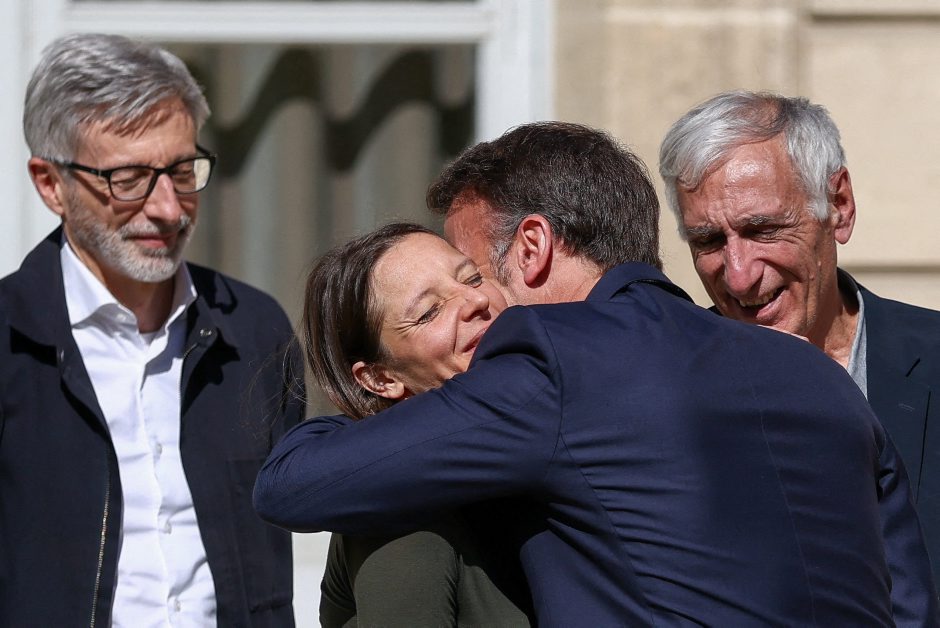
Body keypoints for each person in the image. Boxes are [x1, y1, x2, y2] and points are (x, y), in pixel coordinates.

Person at [256, 121, 927, 625]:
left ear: (533, 248)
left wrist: (370, 421)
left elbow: (289, 486)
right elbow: (910, 606)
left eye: (474, 273)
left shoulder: (550, 364)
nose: (479, 305)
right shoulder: (818, 373)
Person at [0, 33, 304, 626]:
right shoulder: (10, 339)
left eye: (182, 170)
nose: (168, 208)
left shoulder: (254, 330)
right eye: (129, 177)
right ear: (50, 184)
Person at [660, 89, 940, 603]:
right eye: (708, 241)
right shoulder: (661, 388)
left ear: (839, 207)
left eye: (763, 229)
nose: (738, 277)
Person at [301, 222, 530, 626]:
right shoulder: (401, 509)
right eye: (429, 312)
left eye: (472, 278)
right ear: (381, 379)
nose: (476, 300)